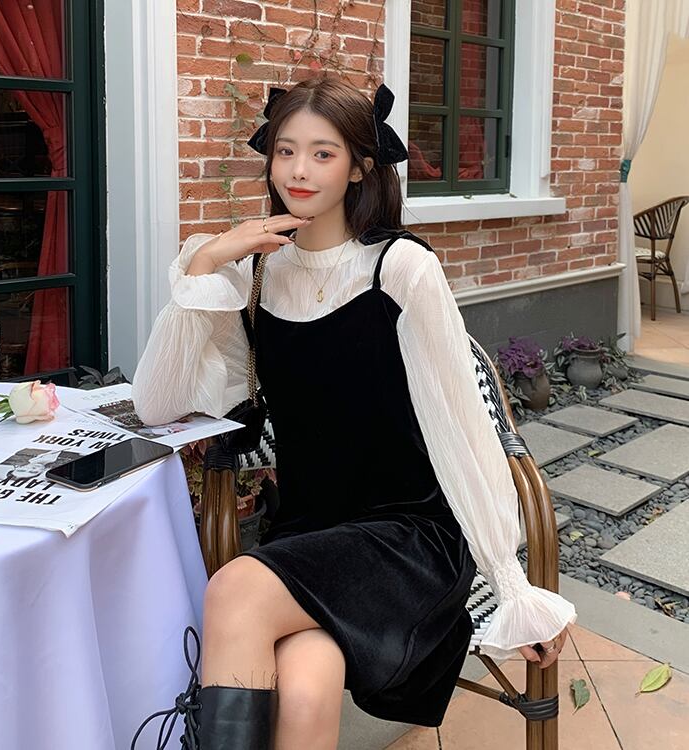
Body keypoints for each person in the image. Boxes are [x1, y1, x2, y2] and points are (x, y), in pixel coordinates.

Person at [131, 77, 576, 750]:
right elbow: (159, 405)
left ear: (361, 166)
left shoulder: (400, 268)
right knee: (306, 685)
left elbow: (461, 426)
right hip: (310, 533)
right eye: (285, 151)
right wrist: (205, 262)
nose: (298, 171)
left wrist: (512, 584)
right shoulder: (255, 275)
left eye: (323, 153)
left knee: (235, 589)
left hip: (409, 536)